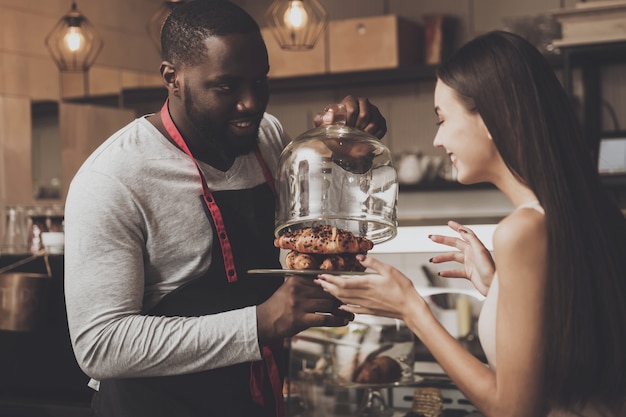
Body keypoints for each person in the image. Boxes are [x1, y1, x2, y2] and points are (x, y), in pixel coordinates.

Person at [63, 2, 387, 417]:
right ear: (172, 78)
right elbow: (100, 346)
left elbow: (303, 241)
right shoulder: (113, 178)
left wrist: (344, 156)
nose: (251, 103)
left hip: (255, 399)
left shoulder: (266, 135)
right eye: (227, 86)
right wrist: (262, 322)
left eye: (259, 81)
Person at [317, 30, 626, 417]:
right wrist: (498, 287)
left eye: (442, 119)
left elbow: (513, 409)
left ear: (493, 117)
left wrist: (411, 309)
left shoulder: (521, 231)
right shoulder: (591, 213)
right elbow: (572, 342)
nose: (437, 140)